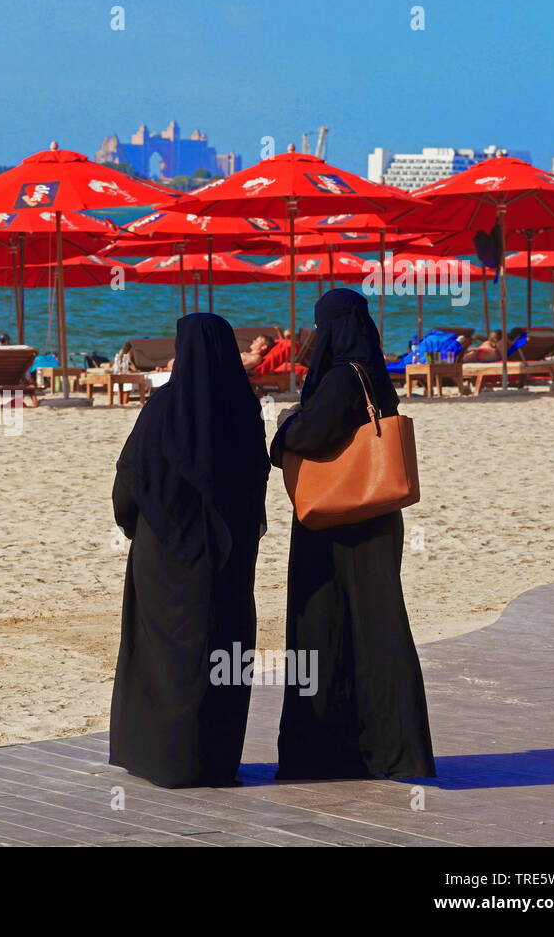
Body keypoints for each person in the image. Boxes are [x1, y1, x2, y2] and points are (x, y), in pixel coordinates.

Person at [269, 288, 435, 780]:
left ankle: (331, 750)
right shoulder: (373, 374)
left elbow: (307, 437)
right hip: (376, 516)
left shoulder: (342, 378)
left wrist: (284, 428)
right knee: (377, 624)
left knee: (327, 627)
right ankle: (392, 747)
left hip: (335, 523)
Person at [109, 314, 271, 788]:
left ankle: (163, 758)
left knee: (166, 651)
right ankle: (215, 759)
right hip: (229, 555)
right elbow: (256, 480)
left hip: (165, 553)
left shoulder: (162, 409)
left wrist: (133, 523)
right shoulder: (242, 408)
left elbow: (131, 478)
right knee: (224, 647)